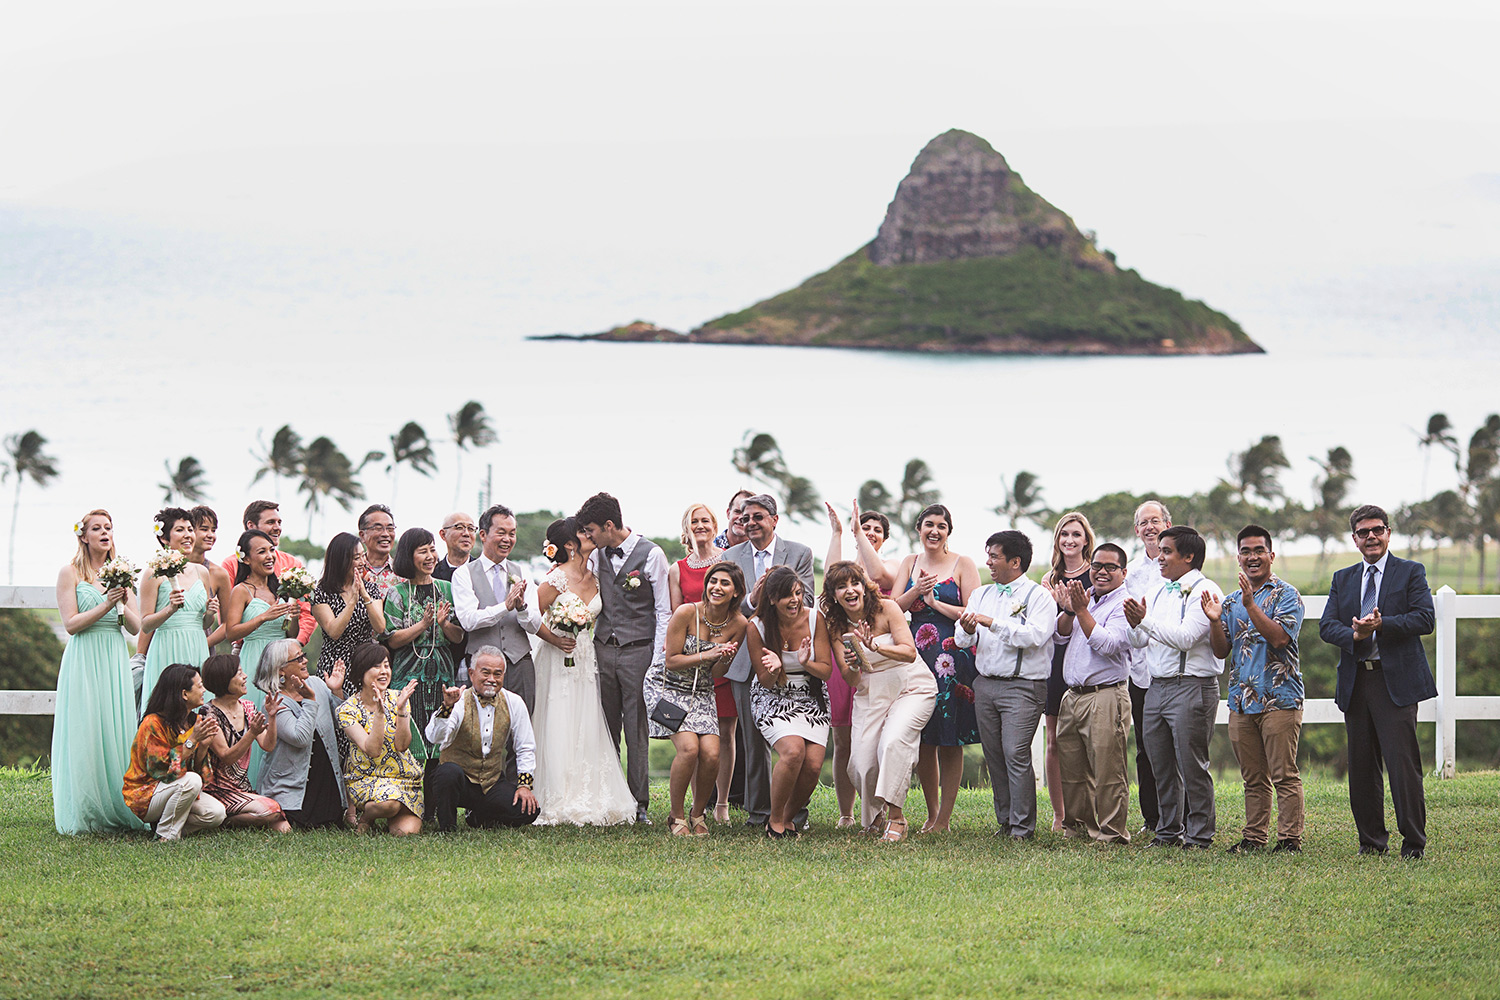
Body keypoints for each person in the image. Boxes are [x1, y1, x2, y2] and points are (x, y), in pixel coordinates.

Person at [1318, 504, 1436, 859]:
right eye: (1363, 532)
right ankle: (1371, 842)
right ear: (1354, 539)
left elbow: (1424, 619)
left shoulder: (1410, 572)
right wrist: (1354, 636)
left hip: (1394, 681)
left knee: (1403, 767)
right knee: (1362, 767)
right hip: (1357, 683)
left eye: (1377, 530)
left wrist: (1382, 625)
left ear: (1388, 533)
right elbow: (1327, 626)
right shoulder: (1343, 578)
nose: (1371, 536)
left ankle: (1413, 844)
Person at [1205, 524, 1306, 854]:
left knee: (1284, 774)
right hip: (1241, 700)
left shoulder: (1286, 595)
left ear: (1271, 555)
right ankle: (1254, 837)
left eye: (1258, 550)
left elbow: (1279, 638)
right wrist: (1213, 620)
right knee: (1253, 777)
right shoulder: (1231, 601)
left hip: (1280, 698)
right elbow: (1222, 651)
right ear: (1238, 557)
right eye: (1246, 551)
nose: (1252, 557)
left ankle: (1289, 839)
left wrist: (1251, 605)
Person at [529, 517, 637, 826]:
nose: (589, 534)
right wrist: (555, 638)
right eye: (583, 531)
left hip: (586, 656)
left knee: (585, 716)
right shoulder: (555, 579)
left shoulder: (596, 576)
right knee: (560, 716)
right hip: (556, 656)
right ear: (569, 544)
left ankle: (588, 790)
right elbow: (528, 618)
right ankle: (557, 793)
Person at [1124, 525, 1224, 850]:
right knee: (1160, 764)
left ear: (1189, 556)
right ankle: (1168, 832)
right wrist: (1133, 623)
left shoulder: (1204, 591)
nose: (1161, 558)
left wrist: (1145, 621)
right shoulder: (1157, 591)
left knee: (1192, 764)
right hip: (1157, 687)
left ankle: (1199, 835)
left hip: (1191, 686)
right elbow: (1140, 640)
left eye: (1167, 552)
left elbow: (1184, 639)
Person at [819, 560, 933, 842]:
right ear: (834, 595)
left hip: (911, 686)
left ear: (864, 586)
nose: (849, 590)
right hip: (871, 692)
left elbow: (908, 652)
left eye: (854, 583)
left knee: (892, 743)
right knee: (860, 763)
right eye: (841, 586)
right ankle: (877, 813)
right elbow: (851, 679)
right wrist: (855, 662)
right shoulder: (836, 625)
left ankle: (897, 818)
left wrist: (875, 646)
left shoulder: (887, 609)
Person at [576, 491, 672, 825]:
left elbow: (664, 610)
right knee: (605, 727)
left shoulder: (652, 554)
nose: (588, 536)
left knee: (636, 729)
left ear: (609, 525)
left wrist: (656, 661)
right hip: (602, 649)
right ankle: (608, 798)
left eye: (591, 530)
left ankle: (638, 803)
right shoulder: (596, 555)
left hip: (638, 652)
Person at [52, 509, 148, 834]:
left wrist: (121, 603)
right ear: (84, 536)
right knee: (87, 730)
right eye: (97, 528)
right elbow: (71, 625)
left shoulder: (120, 574)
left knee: (115, 728)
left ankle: (117, 805)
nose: (105, 533)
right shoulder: (70, 573)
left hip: (113, 656)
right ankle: (85, 809)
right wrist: (106, 604)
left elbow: (136, 628)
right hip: (84, 657)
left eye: (108, 527)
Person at [721, 494, 815, 828]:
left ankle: (794, 813)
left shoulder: (799, 553)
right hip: (746, 660)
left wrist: (779, 594)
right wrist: (752, 598)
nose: (750, 524)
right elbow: (727, 609)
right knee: (753, 741)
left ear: (774, 519)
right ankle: (759, 811)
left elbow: (809, 600)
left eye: (757, 517)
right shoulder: (730, 556)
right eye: (745, 518)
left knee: (796, 743)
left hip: (793, 661)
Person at [956, 530, 1058, 839]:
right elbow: (963, 640)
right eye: (987, 555)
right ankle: (1006, 821)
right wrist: (968, 629)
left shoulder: (1038, 597)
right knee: (995, 754)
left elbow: (1035, 637)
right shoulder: (982, 594)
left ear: (1015, 561)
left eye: (994, 556)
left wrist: (992, 623)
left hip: (1023, 687)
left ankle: (1023, 827)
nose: (988, 562)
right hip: (985, 684)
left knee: (1015, 752)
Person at [892, 503, 980, 834]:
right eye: (929, 524)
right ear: (919, 528)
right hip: (915, 653)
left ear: (948, 532)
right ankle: (930, 812)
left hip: (952, 655)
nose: (934, 530)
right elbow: (893, 605)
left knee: (950, 735)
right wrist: (917, 590)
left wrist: (934, 603)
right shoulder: (909, 563)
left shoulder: (963, 563)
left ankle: (944, 817)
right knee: (923, 735)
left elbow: (974, 611)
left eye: (941, 526)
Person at [648, 560, 749, 836]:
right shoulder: (686, 612)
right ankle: (676, 815)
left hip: (703, 689)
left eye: (724, 583)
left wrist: (724, 660)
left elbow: (717, 671)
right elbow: (670, 660)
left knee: (713, 752)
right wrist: (708, 654)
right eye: (713, 581)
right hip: (666, 686)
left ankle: (698, 814)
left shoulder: (739, 623)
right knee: (690, 748)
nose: (716, 587)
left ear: (737, 592)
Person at [1050, 542, 1133, 844]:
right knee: (1072, 768)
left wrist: (1082, 611)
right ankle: (1078, 826)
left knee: (1108, 769)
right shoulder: (1089, 599)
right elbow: (1059, 636)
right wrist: (1070, 611)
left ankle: (1111, 833)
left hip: (1105, 694)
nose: (1102, 572)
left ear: (1123, 572)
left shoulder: (1125, 603)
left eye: (1111, 567)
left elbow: (1108, 644)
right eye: (1097, 565)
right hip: (1073, 694)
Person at [744, 566, 832, 838]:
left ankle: (788, 817)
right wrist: (773, 669)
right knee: (793, 752)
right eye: (786, 596)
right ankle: (775, 820)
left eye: (798, 593)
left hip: (811, 694)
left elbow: (827, 670)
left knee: (814, 764)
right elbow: (765, 680)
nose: (794, 600)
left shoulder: (816, 619)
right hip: (772, 695)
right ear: (771, 599)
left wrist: (806, 662)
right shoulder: (756, 627)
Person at [666, 503, 737, 824]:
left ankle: (721, 802)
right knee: (692, 739)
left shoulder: (728, 560)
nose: (700, 525)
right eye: (693, 521)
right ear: (686, 527)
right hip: (688, 661)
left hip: (721, 657)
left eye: (705, 520)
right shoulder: (676, 568)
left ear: (714, 524)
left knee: (724, 733)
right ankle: (696, 807)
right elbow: (674, 614)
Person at [425, 646, 540, 831]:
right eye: (485, 673)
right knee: (448, 773)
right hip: (459, 782)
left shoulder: (514, 702)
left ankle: (479, 815)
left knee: (527, 811)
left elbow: (525, 746)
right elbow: (435, 737)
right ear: (471, 673)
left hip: (490, 782)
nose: (491, 680)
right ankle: (447, 826)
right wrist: (447, 708)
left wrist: (524, 785)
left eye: (497, 674)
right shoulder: (459, 701)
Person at [383, 527, 465, 769]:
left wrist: (443, 624)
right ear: (409, 556)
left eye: (432, 550)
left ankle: (436, 799)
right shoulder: (397, 593)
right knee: (410, 730)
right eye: (423, 551)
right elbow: (392, 640)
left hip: (441, 668)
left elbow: (458, 636)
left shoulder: (447, 589)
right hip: (407, 670)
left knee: (440, 730)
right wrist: (422, 625)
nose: (430, 556)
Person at [222, 528, 298, 784]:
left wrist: (293, 617)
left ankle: (278, 786)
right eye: (261, 551)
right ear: (245, 558)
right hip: (254, 658)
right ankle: (249, 783)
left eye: (271, 550)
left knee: (282, 718)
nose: (269, 556)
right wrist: (264, 616)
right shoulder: (241, 590)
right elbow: (231, 631)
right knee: (256, 720)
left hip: (280, 659)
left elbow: (291, 633)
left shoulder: (280, 589)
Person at [122, 663, 227, 840]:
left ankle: (165, 824)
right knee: (191, 781)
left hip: (178, 789)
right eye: (200, 686)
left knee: (216, 813)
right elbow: (160, 770)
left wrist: (203, 746)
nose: (204, 690)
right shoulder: (152, 723)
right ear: (184, 694)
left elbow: (201, 776)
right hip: (146, 793)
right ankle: (166, 836)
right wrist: (192, 740)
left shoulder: (195, 721)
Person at [451, 503, 540, 712]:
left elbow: (535, 625)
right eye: (501, 532)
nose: (507, 539)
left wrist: (522, 608)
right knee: (481, 730)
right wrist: (505, 606)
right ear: (483, 534)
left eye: (512, 533)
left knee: (521, 729)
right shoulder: (464, 574)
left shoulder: (523, 572)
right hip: (482, 669)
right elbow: (468, 620)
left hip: (520, 664)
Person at [1038, 512, 1094, 832]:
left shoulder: (1096, 576)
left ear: (1086, 539)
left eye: (1076, 534)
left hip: (1087, 660)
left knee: (1087, 742)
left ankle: (1087, 810)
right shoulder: (1049, 579)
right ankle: (1060, 815)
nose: (1070, 540)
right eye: (1064, 535)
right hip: (1055, 660)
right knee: (1054, 740)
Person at [255, 640, 348, 829]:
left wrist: (337, 691)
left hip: (326, 783)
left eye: (303, 655)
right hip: (291, 793)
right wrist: (310, 700)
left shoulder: (316, 684)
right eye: (298, 658)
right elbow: (300, 738)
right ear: (281, 670)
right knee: (291, 826)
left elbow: (342, 723)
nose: (304, 661)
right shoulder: (274, 702)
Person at [337, 643, 424, 835]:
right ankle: (366, 817)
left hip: (402, 777)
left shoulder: (398, 698)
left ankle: (394, 810)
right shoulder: (347, 709)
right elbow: (373, 750)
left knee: (405, 832)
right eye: (376, 666)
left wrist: (401, 711)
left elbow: (402, 745)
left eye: (386, 665)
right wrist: (379, 714)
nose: (384, 671)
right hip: (367, 777)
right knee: (389, 805)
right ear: (361, 672)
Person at [138, 507, 218, 716]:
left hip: (196, 645)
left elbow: (203, 624)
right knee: (167, 710)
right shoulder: (152, 573)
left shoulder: (202, 572)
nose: (188, 535)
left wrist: (210, 614)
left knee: (199, 710)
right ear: (165, 538)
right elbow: (145, 624)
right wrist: (170, 609)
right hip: (167, 645)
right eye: (180, 530)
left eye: (190, 529)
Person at [199, 654, 289, 830]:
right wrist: (251, 733)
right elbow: (226, 757)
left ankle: (232, 819)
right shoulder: (209, 713)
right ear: (224, 679)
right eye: (239, 673)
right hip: (218, 790)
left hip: (242, 788)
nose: (245, 676)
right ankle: (224, 821)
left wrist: (272, 717)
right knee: (271, 810)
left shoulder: (247, 707)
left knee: (283, 827)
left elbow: (268, 746)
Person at [1125, 500, 1170, 835]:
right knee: (1145, 748)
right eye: (1144, 522)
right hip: (1140, 673)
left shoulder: (1182, 567)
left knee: (1177, 746)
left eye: (1156, 520)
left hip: (1173, 668)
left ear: (1167, 524)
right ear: (1136, 530)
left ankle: (1182, 815)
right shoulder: (1132, 573)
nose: (1150, 527)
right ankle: (1152, 818)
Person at [221, 501, 315, 645]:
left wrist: (295, 645)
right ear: (251, 525)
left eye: (279, 522)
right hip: (249, 648)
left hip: (286, 651)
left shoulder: (293, 564)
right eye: (271, 522)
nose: (277, 528)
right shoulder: (231, 565)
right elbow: (228, 623)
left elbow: (306, 613)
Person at [310, 532, 388, 694]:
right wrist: (352, 600)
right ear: (341, 560)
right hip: (335, 665)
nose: (362, 562)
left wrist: (364, 594)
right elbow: (334, 632)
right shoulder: (322, 592)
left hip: (365, 664)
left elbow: (380, 627)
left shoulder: (371, 588)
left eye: (362, 556)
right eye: (356, 558)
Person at [189, 505, 234, 648]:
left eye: (213, 530)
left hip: (202, 647)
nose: (210, 535)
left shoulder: (219, 574)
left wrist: (204, 645)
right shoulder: (170, 567)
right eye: (204, 529)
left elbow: (227, 624)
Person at [357, 503, 400, 597]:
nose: (385, 534)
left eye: (390, 528)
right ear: (362, 535)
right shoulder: (352, 570)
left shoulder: (403, 573)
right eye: (378, 528)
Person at [434, 512, 477, 582]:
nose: (466, 533)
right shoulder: (432, 574)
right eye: (459, 527)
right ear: (443, 534)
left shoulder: (484, 571)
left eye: (471, 529)